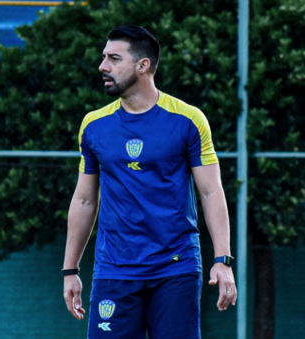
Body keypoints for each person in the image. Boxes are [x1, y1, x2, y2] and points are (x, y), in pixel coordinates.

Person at [62, 25, 237, 339]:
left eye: (114, 59)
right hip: (114, 269)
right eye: (104, 57)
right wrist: (70, 269)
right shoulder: (93, 125)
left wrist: (222, 259)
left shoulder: (189, 120)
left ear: (142, 66)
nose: (103, 66)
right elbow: (85, 200)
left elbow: (211, 192)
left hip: (175, 268)